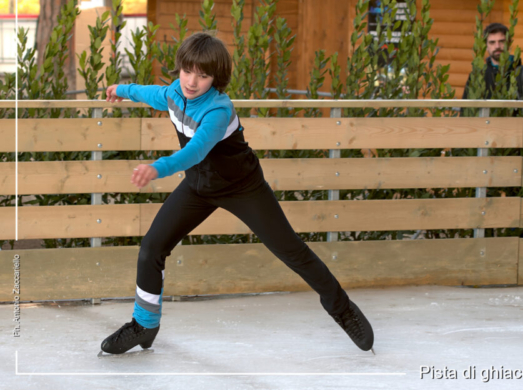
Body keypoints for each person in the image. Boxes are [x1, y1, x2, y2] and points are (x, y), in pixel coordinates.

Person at [99, 31, 374, 355]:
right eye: (187, 71)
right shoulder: (175, 92)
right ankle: (144, 325)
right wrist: (123, 90)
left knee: (292, 251)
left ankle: (342, 308)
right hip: (199, 187)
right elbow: (152, 93)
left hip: (243, 187)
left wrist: (157, 168)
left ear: (216, 78)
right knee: (151, 249)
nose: (191, 81)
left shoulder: (218, 110)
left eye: (203, 75)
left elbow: (196, 151)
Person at [462, 22, 523, 100]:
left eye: (501, 41)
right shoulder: (478, 75)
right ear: (486, 46)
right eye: (492, 42)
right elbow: (466, 109)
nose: (497, 46)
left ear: (509, 43)